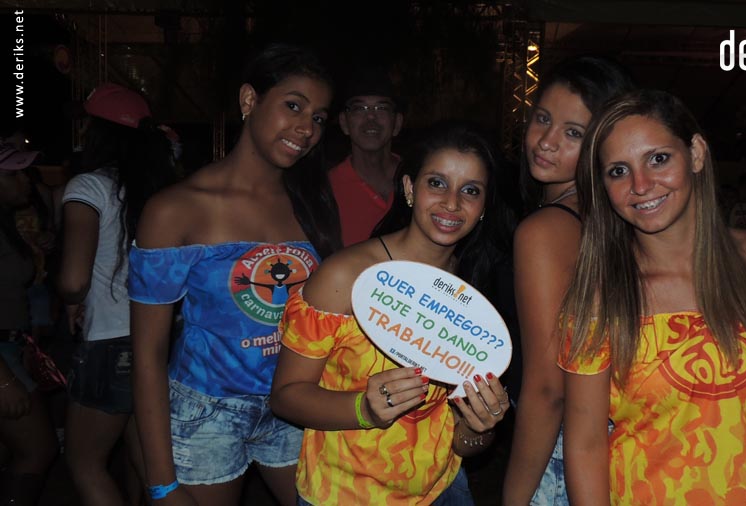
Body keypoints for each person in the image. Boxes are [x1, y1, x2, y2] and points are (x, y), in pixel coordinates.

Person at [558, 90, 746, 505]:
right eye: (618, 171)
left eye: (658, 159)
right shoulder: (602, 296)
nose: (641, 185)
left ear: (695, 153)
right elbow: (585, 445)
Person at [128, 44, 339, 505]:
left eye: (319, 117)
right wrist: (161, 483)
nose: (307, 128)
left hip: (294, 403)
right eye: (294, 106)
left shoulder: (312, 205)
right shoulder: (174, 210)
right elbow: (147, 353)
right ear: (249, 100)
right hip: (206, 412)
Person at [270, 121, 511, 505]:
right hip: (345, 495)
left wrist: (480, 426)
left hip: (443, 491)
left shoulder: (471, 294)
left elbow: (463, 443)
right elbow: (285, 397)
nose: (452, 203)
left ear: (483, 207)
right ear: (410, 188)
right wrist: (363, 409)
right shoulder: (345, 277)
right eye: (437, 183)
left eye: (470, 191)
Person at [502, 56, 634, 506]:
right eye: (542, 118)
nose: (546, 141)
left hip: (559, 452)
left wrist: (514, 496)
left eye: (573, 133)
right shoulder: (615, 222)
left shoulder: (544, 231)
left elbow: (548, 390)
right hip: (614, 446)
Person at [58, 82, 177, 506]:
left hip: (110, 343)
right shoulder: (160, 191)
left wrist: (70, 299)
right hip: (159, 342)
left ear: (98, 132)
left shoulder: (88, 187)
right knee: (154, 469)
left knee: (85, 463)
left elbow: (73, 279)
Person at [0, 144, 58, 506]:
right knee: (38, 450)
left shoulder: (8, 223)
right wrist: (4, 380)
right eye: (14, 173)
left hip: (11, 346)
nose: (25, 180)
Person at [328, 65, 404, 247]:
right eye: (359, 108)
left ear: (397, 123)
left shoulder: (422, 179)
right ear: (344, 123)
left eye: (381, 108)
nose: (370, 117)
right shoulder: (325, 190)